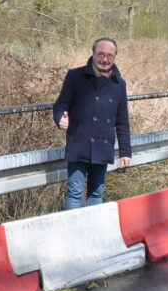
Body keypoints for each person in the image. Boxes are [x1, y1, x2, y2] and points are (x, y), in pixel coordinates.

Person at [53, 38, 132, 210]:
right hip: (78, 143)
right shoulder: (75, 76)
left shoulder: (119, 84)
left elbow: (122, 120)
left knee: (96, 193)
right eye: (100, 54)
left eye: (109, 55)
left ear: (115, 57)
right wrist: (60, 117)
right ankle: (73, 233)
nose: (104, 59)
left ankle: (92, 233)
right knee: (75, 192)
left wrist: (125, 151)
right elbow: (61, 103)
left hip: (103, 145)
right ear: (93, 54)